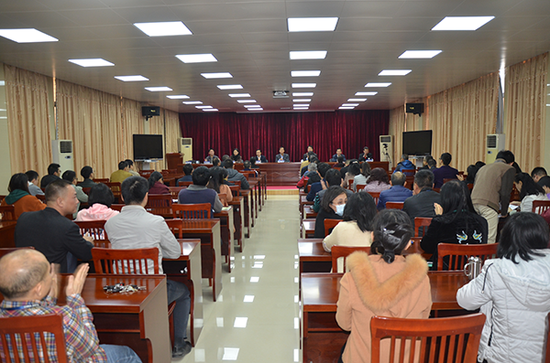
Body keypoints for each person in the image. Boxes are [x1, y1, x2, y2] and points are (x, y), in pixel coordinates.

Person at [104, 176, 193, 358]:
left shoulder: (110, 223)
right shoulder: (156, 221)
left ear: (122, 197)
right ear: (146, 196)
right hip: (152, 291)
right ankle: (178, 344)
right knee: (184, 291)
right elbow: (175, 253)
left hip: (121, 289)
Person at [0, 250, 141, 363]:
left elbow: (29, 313)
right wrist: (75, 299)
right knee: (126, 354)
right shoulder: (62, 316)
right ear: (38, 288)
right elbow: (91, 347)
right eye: (47, 274)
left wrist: (50, 300)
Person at [336, 209, 432, 363]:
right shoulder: (422, 279)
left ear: (373, 236)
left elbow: (345, 324)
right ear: (408, 243)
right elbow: (424, 318)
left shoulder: (352, 277)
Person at [457, 213, 550, 363]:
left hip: (499, 357)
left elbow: (464, 301)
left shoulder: (496, 269)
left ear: (507, 238)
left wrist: (481, 278)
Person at [15, 180, 94, 273]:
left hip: (25, 275)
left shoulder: (24, 218)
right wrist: (87, 242)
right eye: (74, 197)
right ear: (60, 202)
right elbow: (86, 254)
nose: (77, 201)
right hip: (55, 279)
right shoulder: (67, 226)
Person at [420, 180, 488, 268]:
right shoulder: (482, 221)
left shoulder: (441, 221)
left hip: (445, 275)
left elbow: (426, 247)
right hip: (473, 273)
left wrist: (438, 217)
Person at [471, 150, 515, 244]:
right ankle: (487, 258)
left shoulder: (483, 168)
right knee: (489, 239)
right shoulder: (508, 168)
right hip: (488, 206)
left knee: (477, 235)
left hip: (472, 203)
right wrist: (504, 212)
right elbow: (505, 193)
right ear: (511, 163)